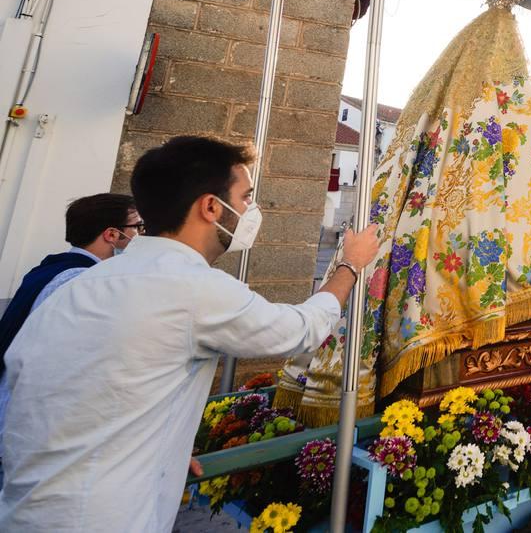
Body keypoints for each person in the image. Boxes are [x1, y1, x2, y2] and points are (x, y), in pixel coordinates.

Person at [0, 136, 380, 531]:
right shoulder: (192, 288)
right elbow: (298, 330)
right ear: (211, 207)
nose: (251, 210)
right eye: (246, 197)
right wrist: (350, 265)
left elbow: (40, 394)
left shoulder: (83, 285)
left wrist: (157, 445)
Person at [0, 193, 141, 483]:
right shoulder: (82, 283)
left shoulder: (50, 270)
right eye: (138, 227)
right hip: (36, 438)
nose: (142, 235)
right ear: (113, 235)